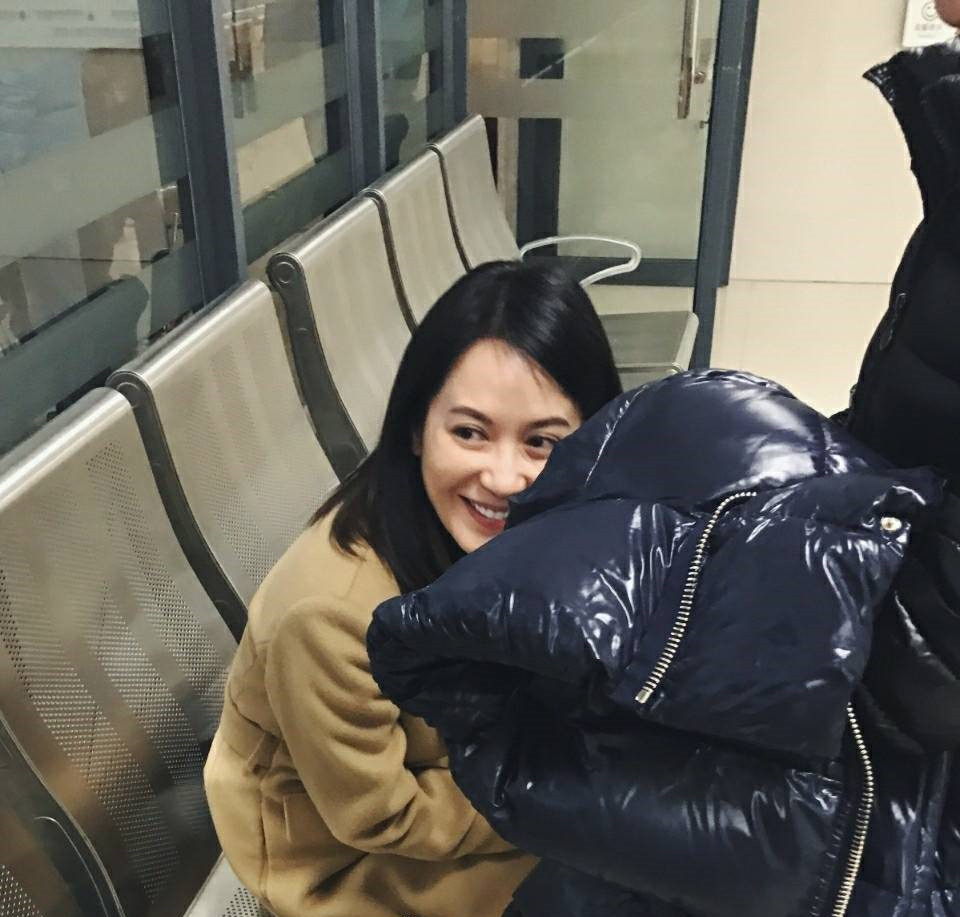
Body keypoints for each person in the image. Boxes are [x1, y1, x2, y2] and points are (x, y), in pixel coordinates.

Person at [203, 259, 623, 917]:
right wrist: (559, 790)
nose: (504, 477)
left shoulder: (542, 530)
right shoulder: (333, 613)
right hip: (351, 867)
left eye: (541, 442)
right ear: (415, 428)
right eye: (469, 432)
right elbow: (381, 815)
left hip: (480, 783)